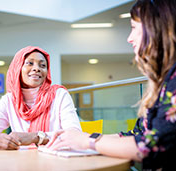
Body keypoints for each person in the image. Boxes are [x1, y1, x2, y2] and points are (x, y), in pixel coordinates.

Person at [46, 0, 176, 170]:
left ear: (156, 29)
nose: (129, 38)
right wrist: (84, 138)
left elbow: (151, 146)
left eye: (134, 27)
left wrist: (88, 141)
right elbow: (138, 133)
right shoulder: (166, 81)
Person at [0, 46, 81, 150]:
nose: (37, 68)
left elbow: (74, 135)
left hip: (57, 160)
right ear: (17, 68)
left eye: (43, 65)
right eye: (30, 63)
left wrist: (35, 137)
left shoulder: (59, 95)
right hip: (22, 162)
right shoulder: (8, 100)